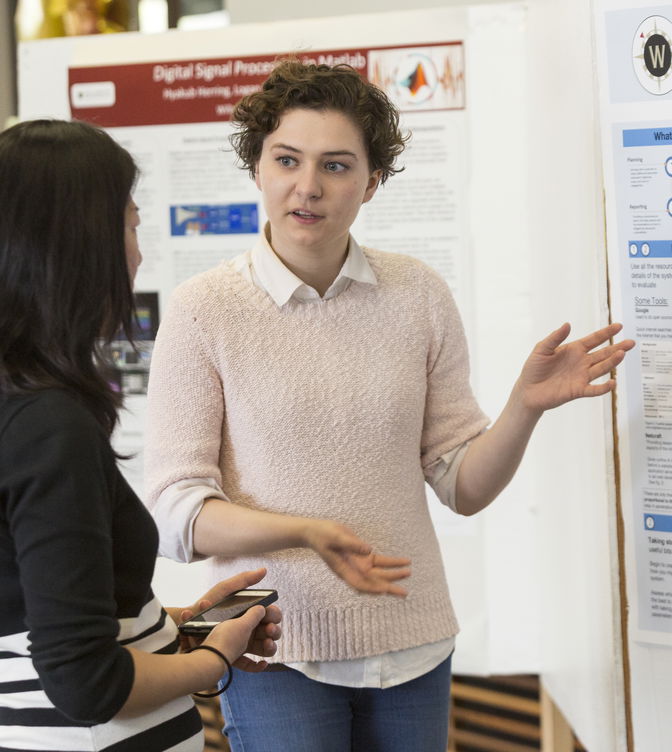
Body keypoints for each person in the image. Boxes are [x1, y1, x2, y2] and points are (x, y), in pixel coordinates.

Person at [144, 59, 635, 752]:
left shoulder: (418, 294)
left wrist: (524, 408)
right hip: (276, 646)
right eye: (286, 159)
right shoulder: (204, 311)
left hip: (413, 644)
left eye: (337, 166)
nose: (307, 186)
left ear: (372, 182)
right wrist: (308, 531)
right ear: (258, 167)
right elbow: (176, 514)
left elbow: (462, 484)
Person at [0, 118, 283, 752]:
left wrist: (174, 626)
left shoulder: (22, 404)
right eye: (130, 225)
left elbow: (32, 609)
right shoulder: (49, 426)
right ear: (78, 244)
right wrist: (216, 658)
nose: (139, 251)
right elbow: (86, 681)